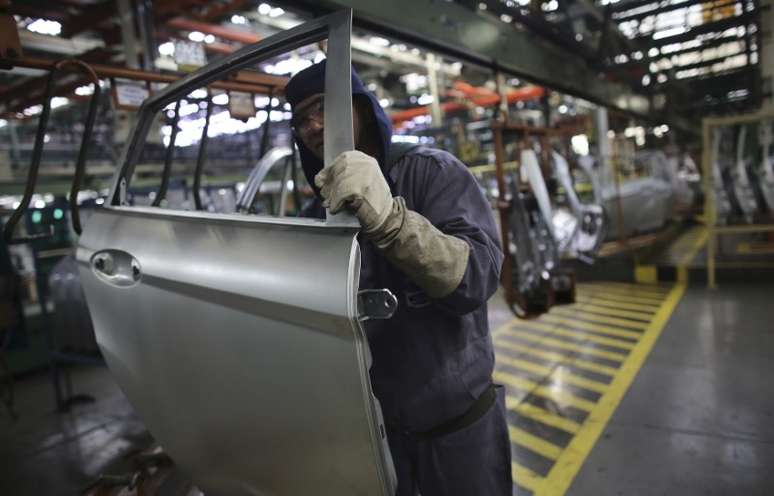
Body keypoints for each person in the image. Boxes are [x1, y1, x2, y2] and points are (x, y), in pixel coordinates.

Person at [284, 60, 510, 496]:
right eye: (301, 120)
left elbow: (477, 279)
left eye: (323, 108)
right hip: (376, 438)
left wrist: (391, 222)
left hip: (457, 432)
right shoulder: (320, 216)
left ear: (361, 108)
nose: (313, 126)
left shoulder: (432, 172)